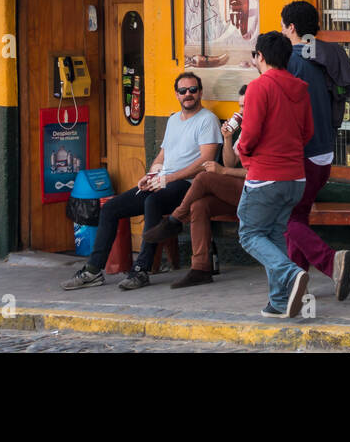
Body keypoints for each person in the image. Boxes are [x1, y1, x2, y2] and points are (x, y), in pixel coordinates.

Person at [62, 72, 220, 291]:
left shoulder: (207, 120)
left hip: (189, 184)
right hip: (163, 180)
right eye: (183, 91)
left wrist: (169, 178)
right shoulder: (174, 119)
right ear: (176, 94)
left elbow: (206, 160)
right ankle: (93, 270)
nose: (188, 94)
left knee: (152, 203)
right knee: (111, 208)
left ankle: (141, 270)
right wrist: (152, 174)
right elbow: (163, 154)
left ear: (200, 92)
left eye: (193, 90)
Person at [235, 31, 313, 318]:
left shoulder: (259, 86)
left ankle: (290, 273)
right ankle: (279, 301)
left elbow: (250, 133)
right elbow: (308, 133)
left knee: (249, 234)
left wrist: (243, 151)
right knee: (274, 235)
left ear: (261, 57)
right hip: (296, 178)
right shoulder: (300, 88)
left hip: (266, 176)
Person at [144, 85, 251, 288]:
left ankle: (175, 220)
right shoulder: (245, 129)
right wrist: (227, 139)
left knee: (203, 178)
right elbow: (229, 163)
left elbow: (260, 173)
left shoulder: (265, 130)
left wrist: (223, 172)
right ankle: (201, 268)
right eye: (240, 106)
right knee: (199, 206)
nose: (242, 111)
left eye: (246, 106)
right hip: (239, 192)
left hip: (257, 192)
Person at [281, 1, 350, 301]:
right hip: (325, 151)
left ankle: (330, 262)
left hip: (301, 154)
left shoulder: (290, 62)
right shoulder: (325, 56)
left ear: (292, 28)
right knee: (298, 216)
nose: (283, 32)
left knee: (283, 218)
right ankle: (296, 281)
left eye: (284, 26)